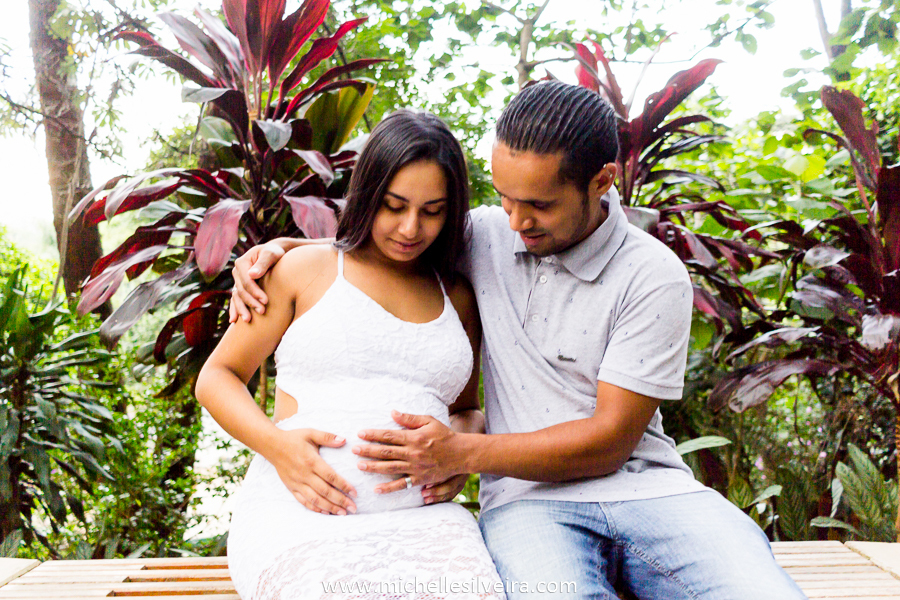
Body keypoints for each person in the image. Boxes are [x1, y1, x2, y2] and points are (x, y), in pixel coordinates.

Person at [230, 81, 807, 599]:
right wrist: (274, 253)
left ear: (602, 180)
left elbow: (609, 441)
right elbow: (376, 249)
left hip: (651, 491)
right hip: (531, 505)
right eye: (504, 199)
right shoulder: (480, 235)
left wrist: (458, 453)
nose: (515, 223)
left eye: (538, 205)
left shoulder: (653, 275)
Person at [196, 110, 506, 599]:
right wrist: (279, 449)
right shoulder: (305, 269)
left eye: (432, 211)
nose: (410, 228)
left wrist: (456, 457)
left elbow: (466, 411)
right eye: (394, 205)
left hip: (426, 526)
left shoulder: (458, 295)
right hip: (302, 518)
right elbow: (217, 377)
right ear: (367, 193)